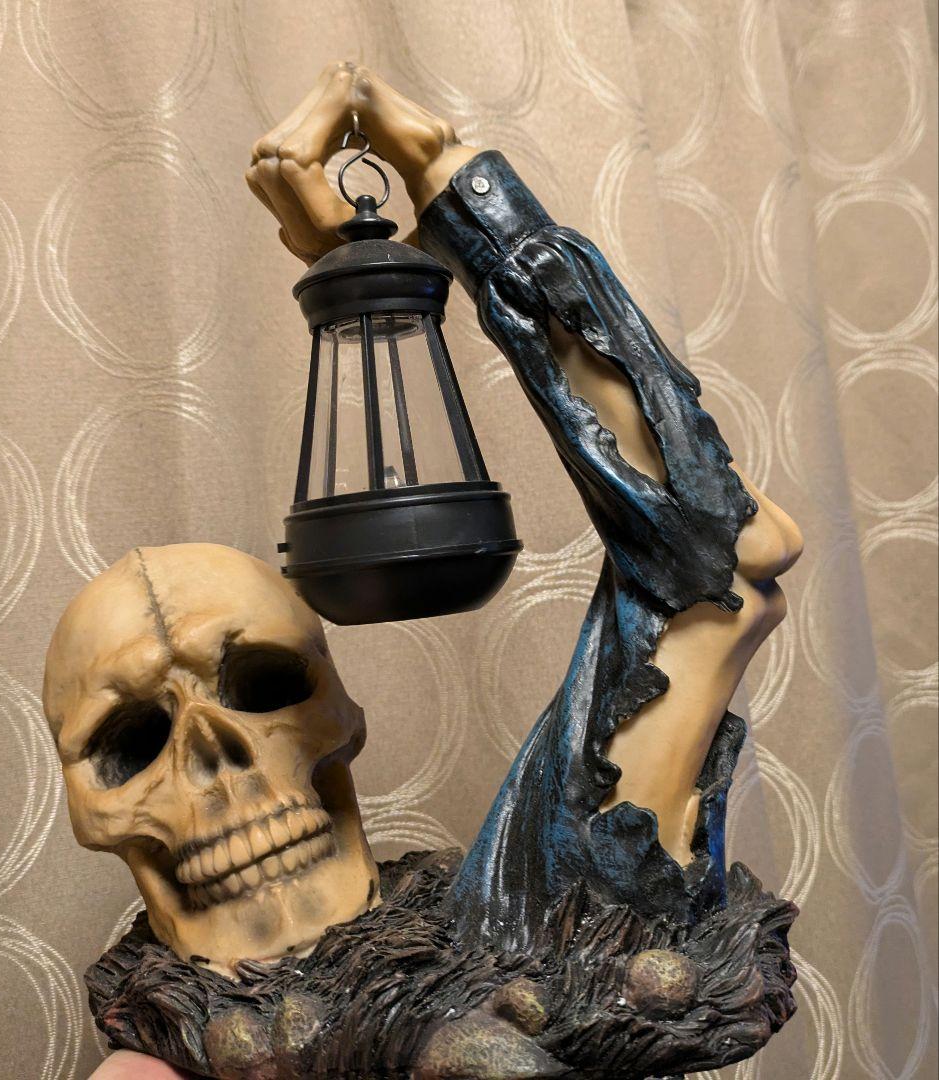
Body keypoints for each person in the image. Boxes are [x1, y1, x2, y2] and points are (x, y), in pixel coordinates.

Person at [91, 62, 802, 1077]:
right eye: (130, 743)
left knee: (716, 592)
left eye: (264, 690)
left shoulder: (496, 929)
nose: (219, 761)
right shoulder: (500, 948)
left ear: (339, 715)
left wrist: (440, 175)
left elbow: (724, 571)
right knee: (715, 593)